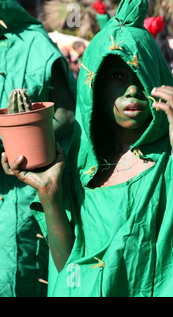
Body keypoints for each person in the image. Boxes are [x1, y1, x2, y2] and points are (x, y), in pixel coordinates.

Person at [2, 0, 173, 297]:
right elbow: (69, 269)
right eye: (116, 76)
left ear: (157, 77)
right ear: (95, 87)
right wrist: (50, 195)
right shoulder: (79, 161)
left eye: (140, 74)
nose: (132, 89)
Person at [0, 0, 76, 297]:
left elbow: (67, 115)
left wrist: (17, 144)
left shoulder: (36, 43)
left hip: (25, 190)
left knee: (16, 273)